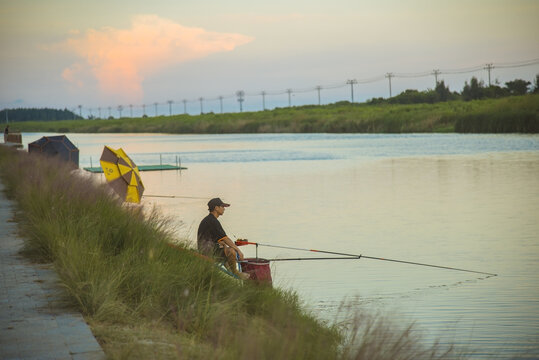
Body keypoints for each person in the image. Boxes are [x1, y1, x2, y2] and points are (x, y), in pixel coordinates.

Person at [197, 198, 249, 280]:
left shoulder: (209, 219)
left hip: (207, 249)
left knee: (224, 247)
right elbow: (226, 239)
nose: (224, 209)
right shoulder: (213, 221)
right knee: (231, 251)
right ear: (216, 208)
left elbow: (218, 239)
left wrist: (222, 243)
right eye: (222, 206)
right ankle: (235, 272)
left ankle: (231, 271)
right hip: (207, 251)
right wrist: (238, 251)